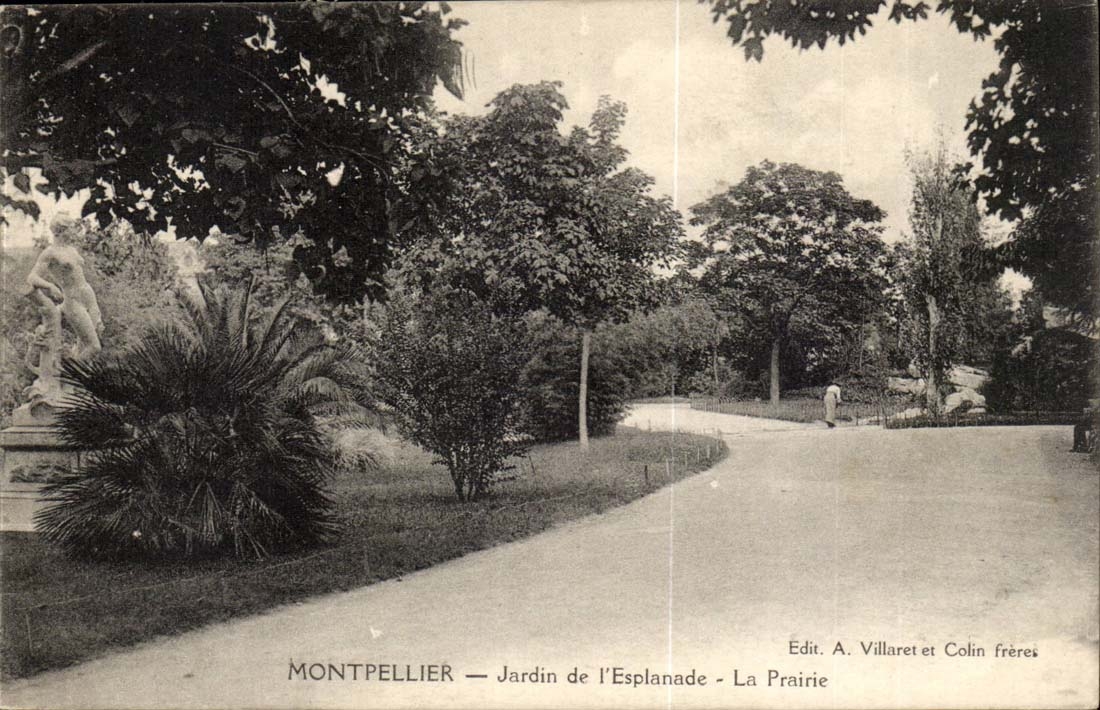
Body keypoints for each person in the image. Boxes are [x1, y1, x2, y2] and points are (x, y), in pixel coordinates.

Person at [23, 215, 103, 360]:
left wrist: (95, 306)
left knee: (85, 344)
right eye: (71, 228)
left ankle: (79, 378)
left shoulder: (72, 249)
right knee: (94, 347)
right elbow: (32, 277)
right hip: (73, 301)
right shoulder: (50, 252)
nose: (74, 231)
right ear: (60, 230)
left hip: (88, 296)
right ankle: (71, 378)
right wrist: (50, 286)